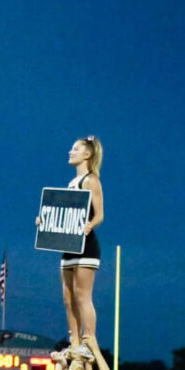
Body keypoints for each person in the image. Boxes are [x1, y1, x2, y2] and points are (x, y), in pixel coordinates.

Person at [55, 136, 104, 354]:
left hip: (86, 246)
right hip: (68, 246)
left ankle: (88, 341)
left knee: (82, 295)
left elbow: (100, 214)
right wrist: (45, 222)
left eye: (75, 149)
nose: (70, 151)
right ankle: (73, 340)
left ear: (87, 155)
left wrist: (90, 225)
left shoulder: (90, 180)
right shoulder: (71, 183)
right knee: (68, 297)